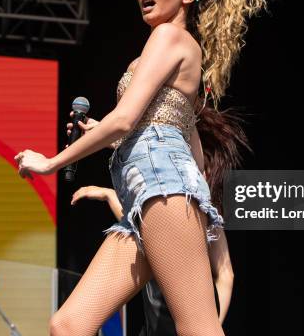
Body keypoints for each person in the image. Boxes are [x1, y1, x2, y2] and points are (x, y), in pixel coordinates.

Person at [15, 0, 274, 335]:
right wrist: (100, 133)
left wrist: (52, 162)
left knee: (198, 330)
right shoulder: (166, 49)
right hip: (145, 200)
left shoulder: (170, 35)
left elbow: (124, 121)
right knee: (68, 326)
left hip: (163, 193)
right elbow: (181, 140)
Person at [68, 99, 251, 334]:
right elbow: (143, 223)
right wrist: (107, 194)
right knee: (66, 325)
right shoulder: (155, 208)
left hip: (187, 314)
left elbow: (226, 273)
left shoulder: (202, 212)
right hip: (157, 318)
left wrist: (214, 323)